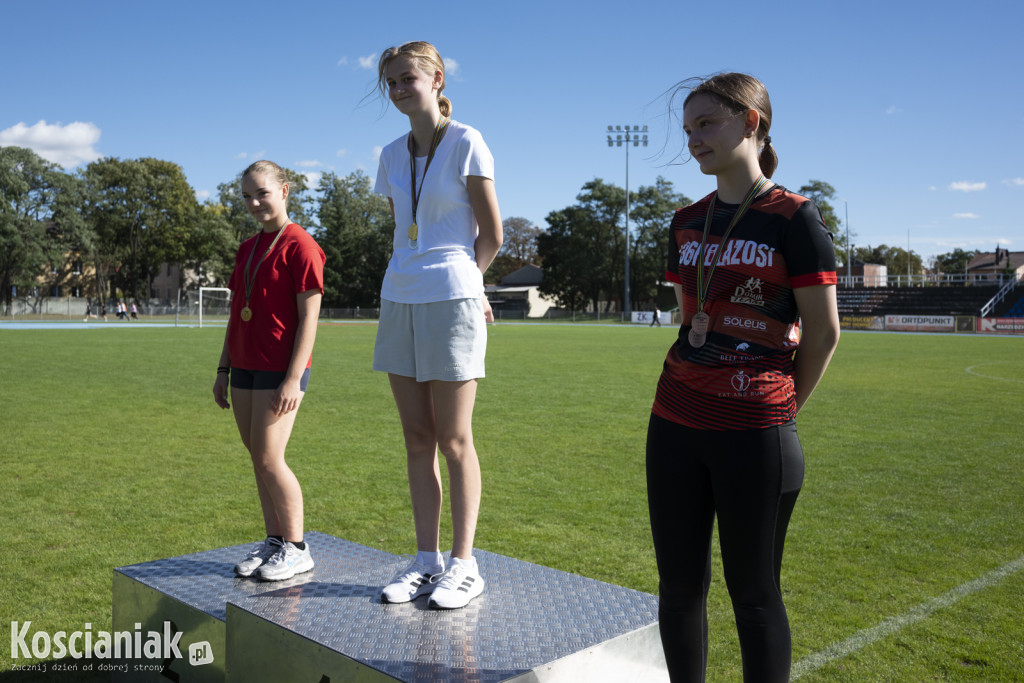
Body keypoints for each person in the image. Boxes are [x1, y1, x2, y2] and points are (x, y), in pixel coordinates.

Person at [646, 73, 840, 682]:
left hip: (755, 429)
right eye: (688, 129)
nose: (694, 140)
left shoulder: (795, 219)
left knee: (754, 597)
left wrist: (779, 408)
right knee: (678, 589)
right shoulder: (685, 221)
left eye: (707, 124)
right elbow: (689, 321)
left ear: (751, 123)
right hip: (674, 422)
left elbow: (825, 332)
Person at [371, 41, 503, 610]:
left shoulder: (468, 141)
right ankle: (426, 563)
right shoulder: (388, 153)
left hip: (452, 297)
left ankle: (464, 566)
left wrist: (471, 286)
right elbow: (404, 231)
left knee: (453, 440)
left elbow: (492, 234)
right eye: (391, 83)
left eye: (408, 79)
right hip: (398, 295)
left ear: (437, 80)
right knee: (416, 439)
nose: (400, 89)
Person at [212, 160, 326, 582]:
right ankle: (274, 542)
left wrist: (294, 378)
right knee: (257, 460)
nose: (254, 202)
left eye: (261, 192)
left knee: (269, 457)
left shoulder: (302, 245)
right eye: (247, 196)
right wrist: (223, 368)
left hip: (281, 369)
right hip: (242, 364)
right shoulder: (247, 247)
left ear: (284, 190)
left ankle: (297, 547)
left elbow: (309, 318)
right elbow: (234, 313)